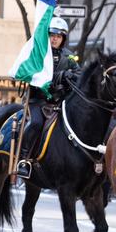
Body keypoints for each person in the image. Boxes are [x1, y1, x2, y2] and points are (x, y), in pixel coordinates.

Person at [16, 16, 79, 179]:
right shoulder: (38, 54)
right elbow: (29, 73)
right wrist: (58, 75)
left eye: (59, 36)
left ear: (63, 38)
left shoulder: (70, 56)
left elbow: (79, 75)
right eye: (52, 35)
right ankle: (23, 160)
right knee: (36, 123)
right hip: (37, 100)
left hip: (60, 101)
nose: (55, 39)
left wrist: (69, 75)